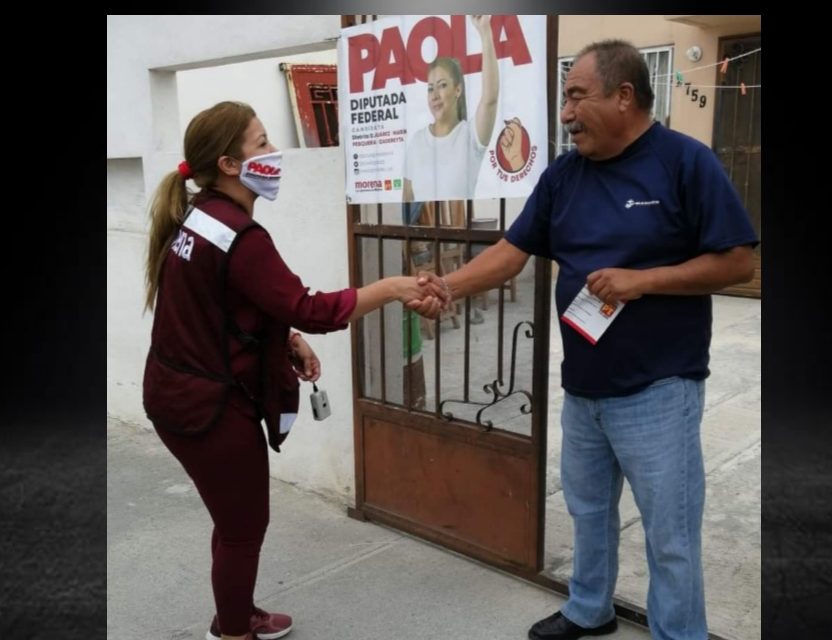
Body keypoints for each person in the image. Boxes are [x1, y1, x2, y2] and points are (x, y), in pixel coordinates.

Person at [409, 40, 757, 640]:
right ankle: (589, 609)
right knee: (589, 513)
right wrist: (448, 287)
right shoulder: (564, 175)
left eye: (576, 96)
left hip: (660, 390)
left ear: (624, 96)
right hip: (584, 386)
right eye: (564, 99)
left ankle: (680, 632)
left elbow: (737, 262)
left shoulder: (684, 162)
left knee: (669, 534)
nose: (565, 114)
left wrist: (643, 281)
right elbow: (510, 253)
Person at [141, 101, 439, 640]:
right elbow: (311, 307)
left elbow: (223, 309)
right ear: (230, 164)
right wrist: (394, 287)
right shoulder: (240, 235)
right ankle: (234, 632)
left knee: (232, 522)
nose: (274, 151)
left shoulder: (200, 216)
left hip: (174, 394)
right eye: (261, 142)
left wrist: (287, 342)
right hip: (207, 409)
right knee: (242, 529)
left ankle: (235, 614)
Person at [402, 14, 498, 204]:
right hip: (424, 234)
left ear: (458, 90)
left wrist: (485, 32)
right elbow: (407, 198)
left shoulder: (470, 136)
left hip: (460, 232)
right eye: (430, 88)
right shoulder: (417, 141)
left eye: (442, 85)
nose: (435, 95)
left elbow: (490, 99)